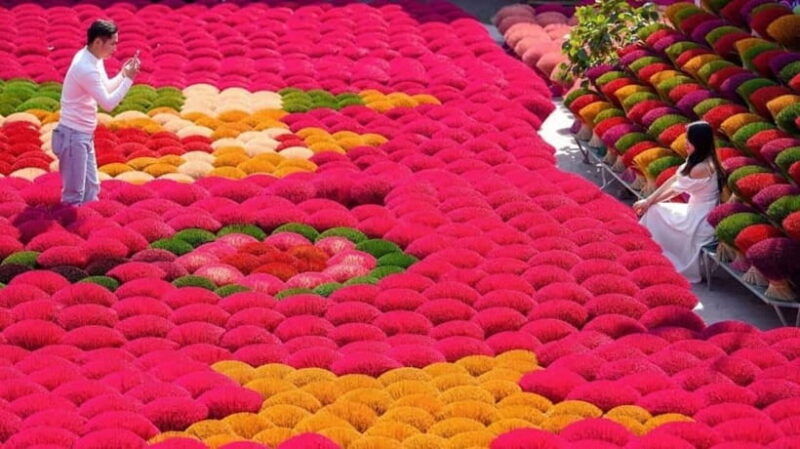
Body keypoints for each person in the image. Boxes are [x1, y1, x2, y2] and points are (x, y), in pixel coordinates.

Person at [54, 19, 140, 205]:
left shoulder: (93, 58)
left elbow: (105, 88)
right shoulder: (85, 68)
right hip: (73, 136)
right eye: (113, 43)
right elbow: (108, 103)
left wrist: (123, 74)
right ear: (98, 42)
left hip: (83, 134)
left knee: (91, 189)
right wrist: (129, 80)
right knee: (74, 195)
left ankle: (87, 220)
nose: (115, 48)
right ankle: (68, 223)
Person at [633, 121, 723, 283]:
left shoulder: (701, 168)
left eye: (689, 139)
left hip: (700, 219)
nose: (685, 143)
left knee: (654, 211)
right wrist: (649, 200)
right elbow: (675, 179)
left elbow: (675, 190)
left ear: (699, 142)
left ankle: (648, 251)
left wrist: (649, 202)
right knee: (655, 209)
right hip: (696, 209)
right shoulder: (700, 159)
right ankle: (645, 249)